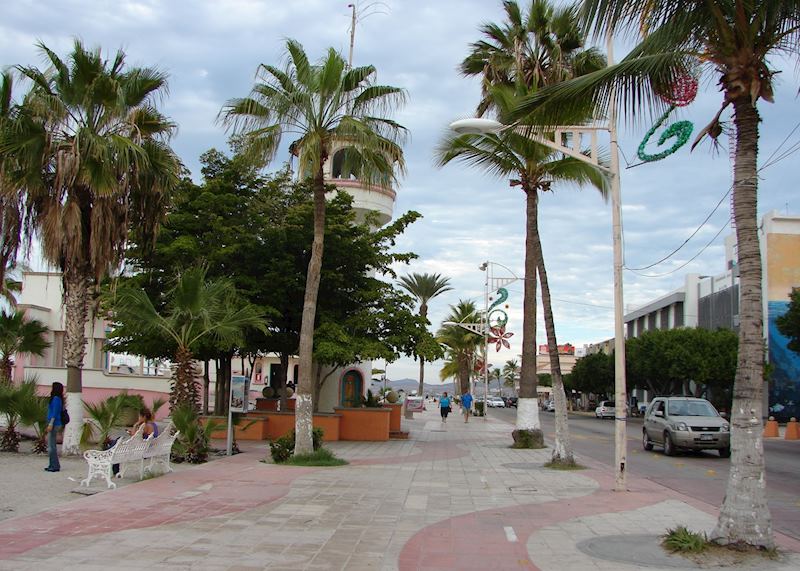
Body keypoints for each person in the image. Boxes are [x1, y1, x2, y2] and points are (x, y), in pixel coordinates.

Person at [45, 381, 64, 472]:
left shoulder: (56, 399)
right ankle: (52, 464)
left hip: (54, 423)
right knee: (52, 445)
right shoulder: (58, 398)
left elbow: (55, 413)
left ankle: (54, 465)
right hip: (54, 423)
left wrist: (51, 423)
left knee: (51, 445)